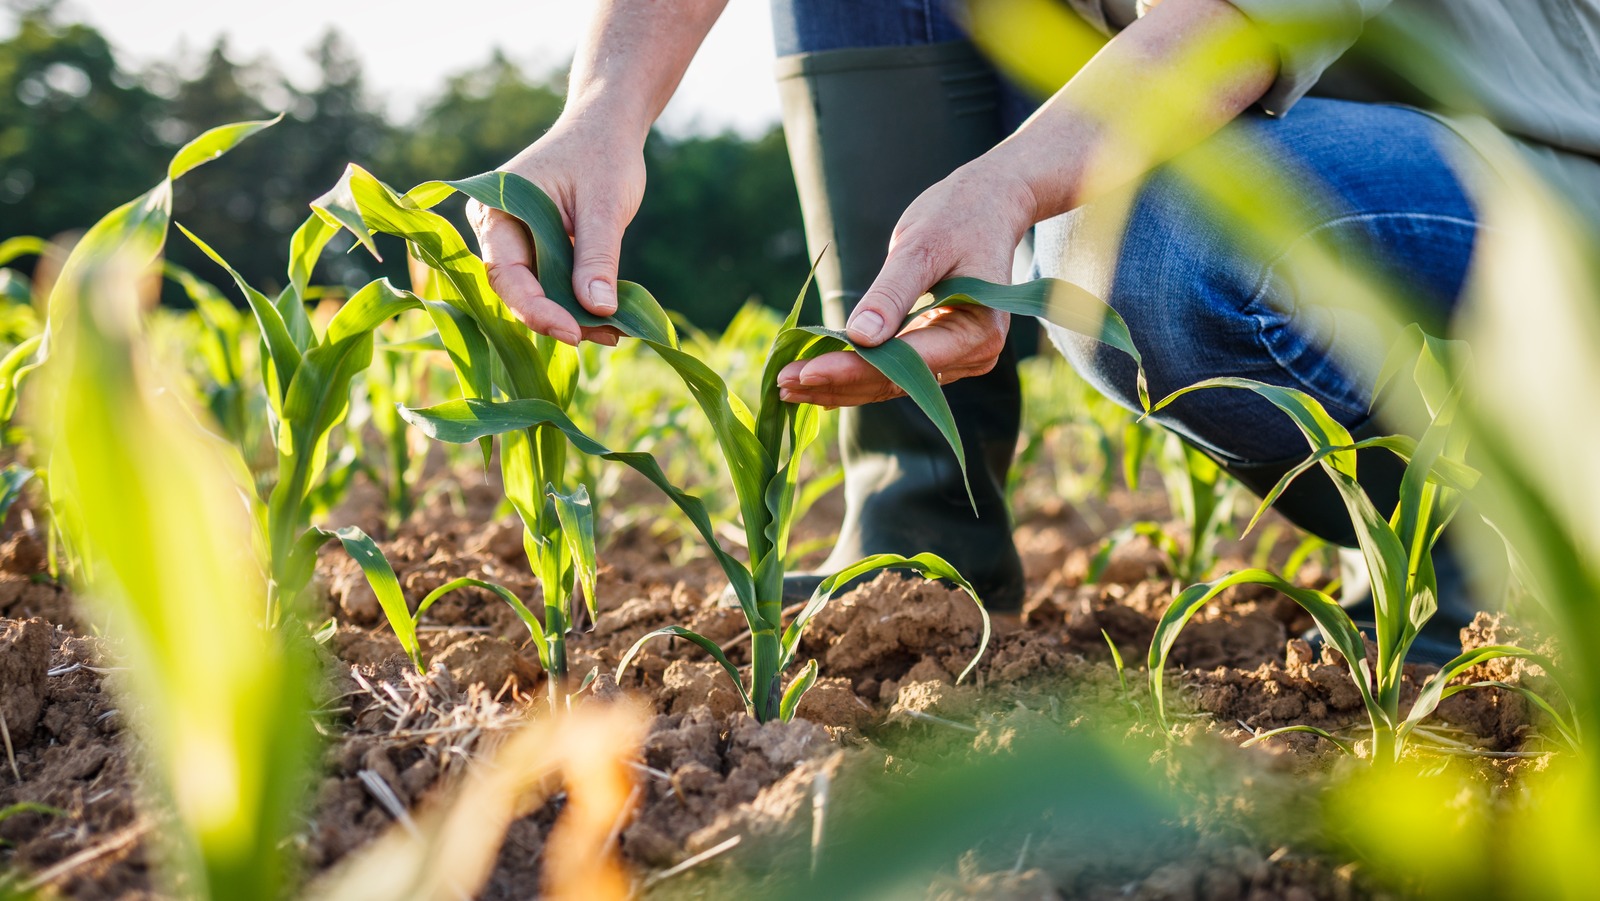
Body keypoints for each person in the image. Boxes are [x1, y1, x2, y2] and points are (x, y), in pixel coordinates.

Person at [471, 0, 1600, 659]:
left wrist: (1011, 189)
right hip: (1284, 134)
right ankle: (919, 534)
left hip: (1523, 159)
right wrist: (602, 113)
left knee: (1134, 241)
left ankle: (1495, 551)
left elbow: (1229, 31)